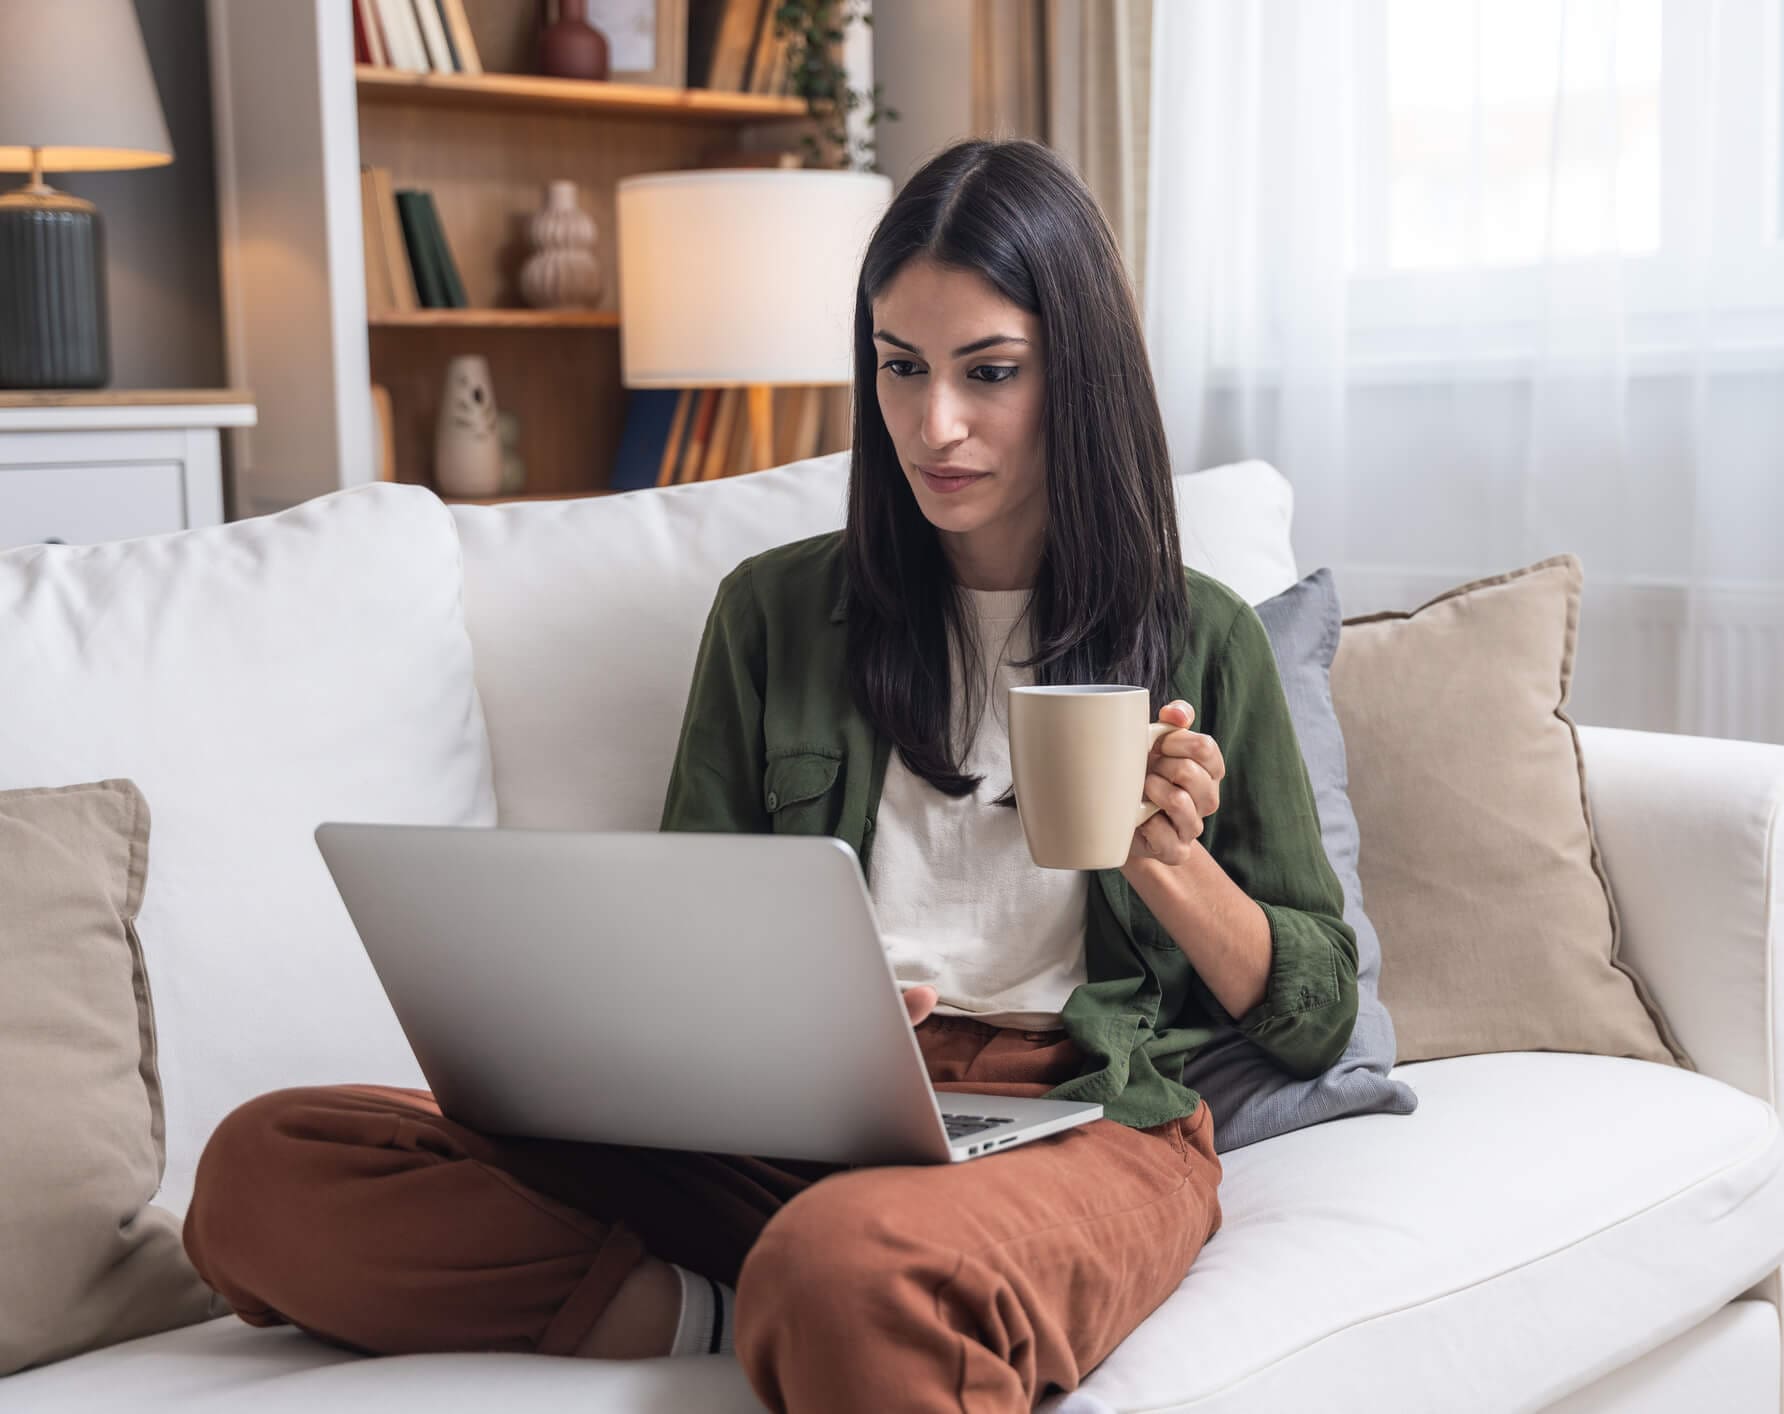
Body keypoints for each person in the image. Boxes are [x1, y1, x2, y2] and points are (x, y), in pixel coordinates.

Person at [181, 137, 1358, 1413]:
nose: (934, 423)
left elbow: (1317, 1010)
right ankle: (713, 1307)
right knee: (266, 1166)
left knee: (853, 1262)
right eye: (901, 367)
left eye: (991, 373)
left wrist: (1172, 870)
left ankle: (805, 1292)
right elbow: (688, 930)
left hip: (1086, 1115)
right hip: (795, 1123)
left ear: (1079, 376)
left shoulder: (1200, 632)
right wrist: (796, 1018)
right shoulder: (774, 615)